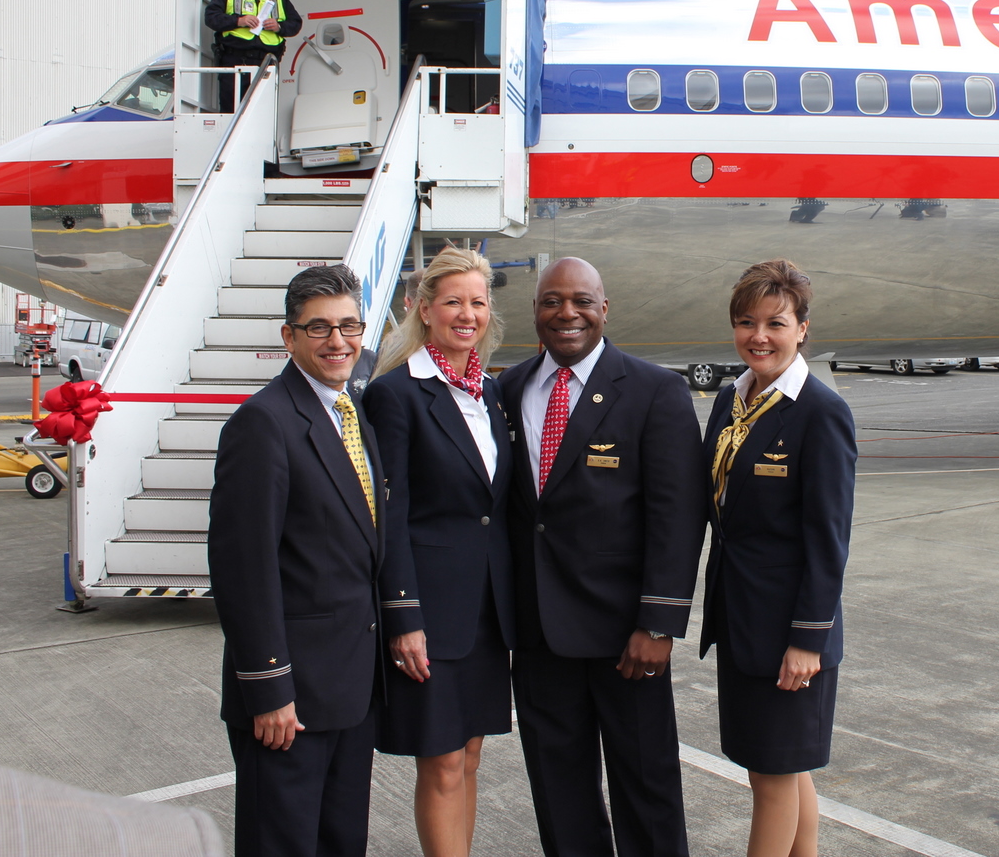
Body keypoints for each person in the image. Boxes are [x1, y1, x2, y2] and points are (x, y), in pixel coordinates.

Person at [498, 257, 708, 857]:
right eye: (551, 301)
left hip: (626, 637)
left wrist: (659, 621)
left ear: (605, 309)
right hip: (539, 634)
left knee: (646, 783)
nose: (567, 313)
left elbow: (678, 515)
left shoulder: (653, 390)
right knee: (559, 790)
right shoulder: (508, 390)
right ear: (535, 311)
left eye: (582, 300)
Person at [207, 265, 384, 857]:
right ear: (289, 337)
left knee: (340, 841)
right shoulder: (263, 423)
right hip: (292, 696)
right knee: (281, 842)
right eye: (319, 329)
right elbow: (243, 569)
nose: (338, 342)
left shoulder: (350, 411)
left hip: (349, 688)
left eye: (349, 326)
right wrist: (269, 687)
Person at [699, 260, 857, 857]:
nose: (758, 336)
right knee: (785, 770)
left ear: (803, 328)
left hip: (789, 631)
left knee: (771, 777)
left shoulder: (819, 412)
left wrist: (808, 640)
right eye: (746, 322)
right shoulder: (730, 402)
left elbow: (828, 539)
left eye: (775, 322)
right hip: (742, 620)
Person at [364, 248, 515, 857]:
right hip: (430, 610)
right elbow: (389, 515)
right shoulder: (396, 394)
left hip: (484, 612)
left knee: (471, 756)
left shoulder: (491, 393)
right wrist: (403, 616)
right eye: (453, 301)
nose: (466, 314)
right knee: (444, 762)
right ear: (423, 309)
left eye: (477, 303)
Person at [203, 0, 301, 113]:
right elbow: (211, 18)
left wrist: (279, 26)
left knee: (263, 114)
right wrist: (238, 20)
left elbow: (296, 23)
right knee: (232, 114)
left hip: (266, 64)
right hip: (234, 63)